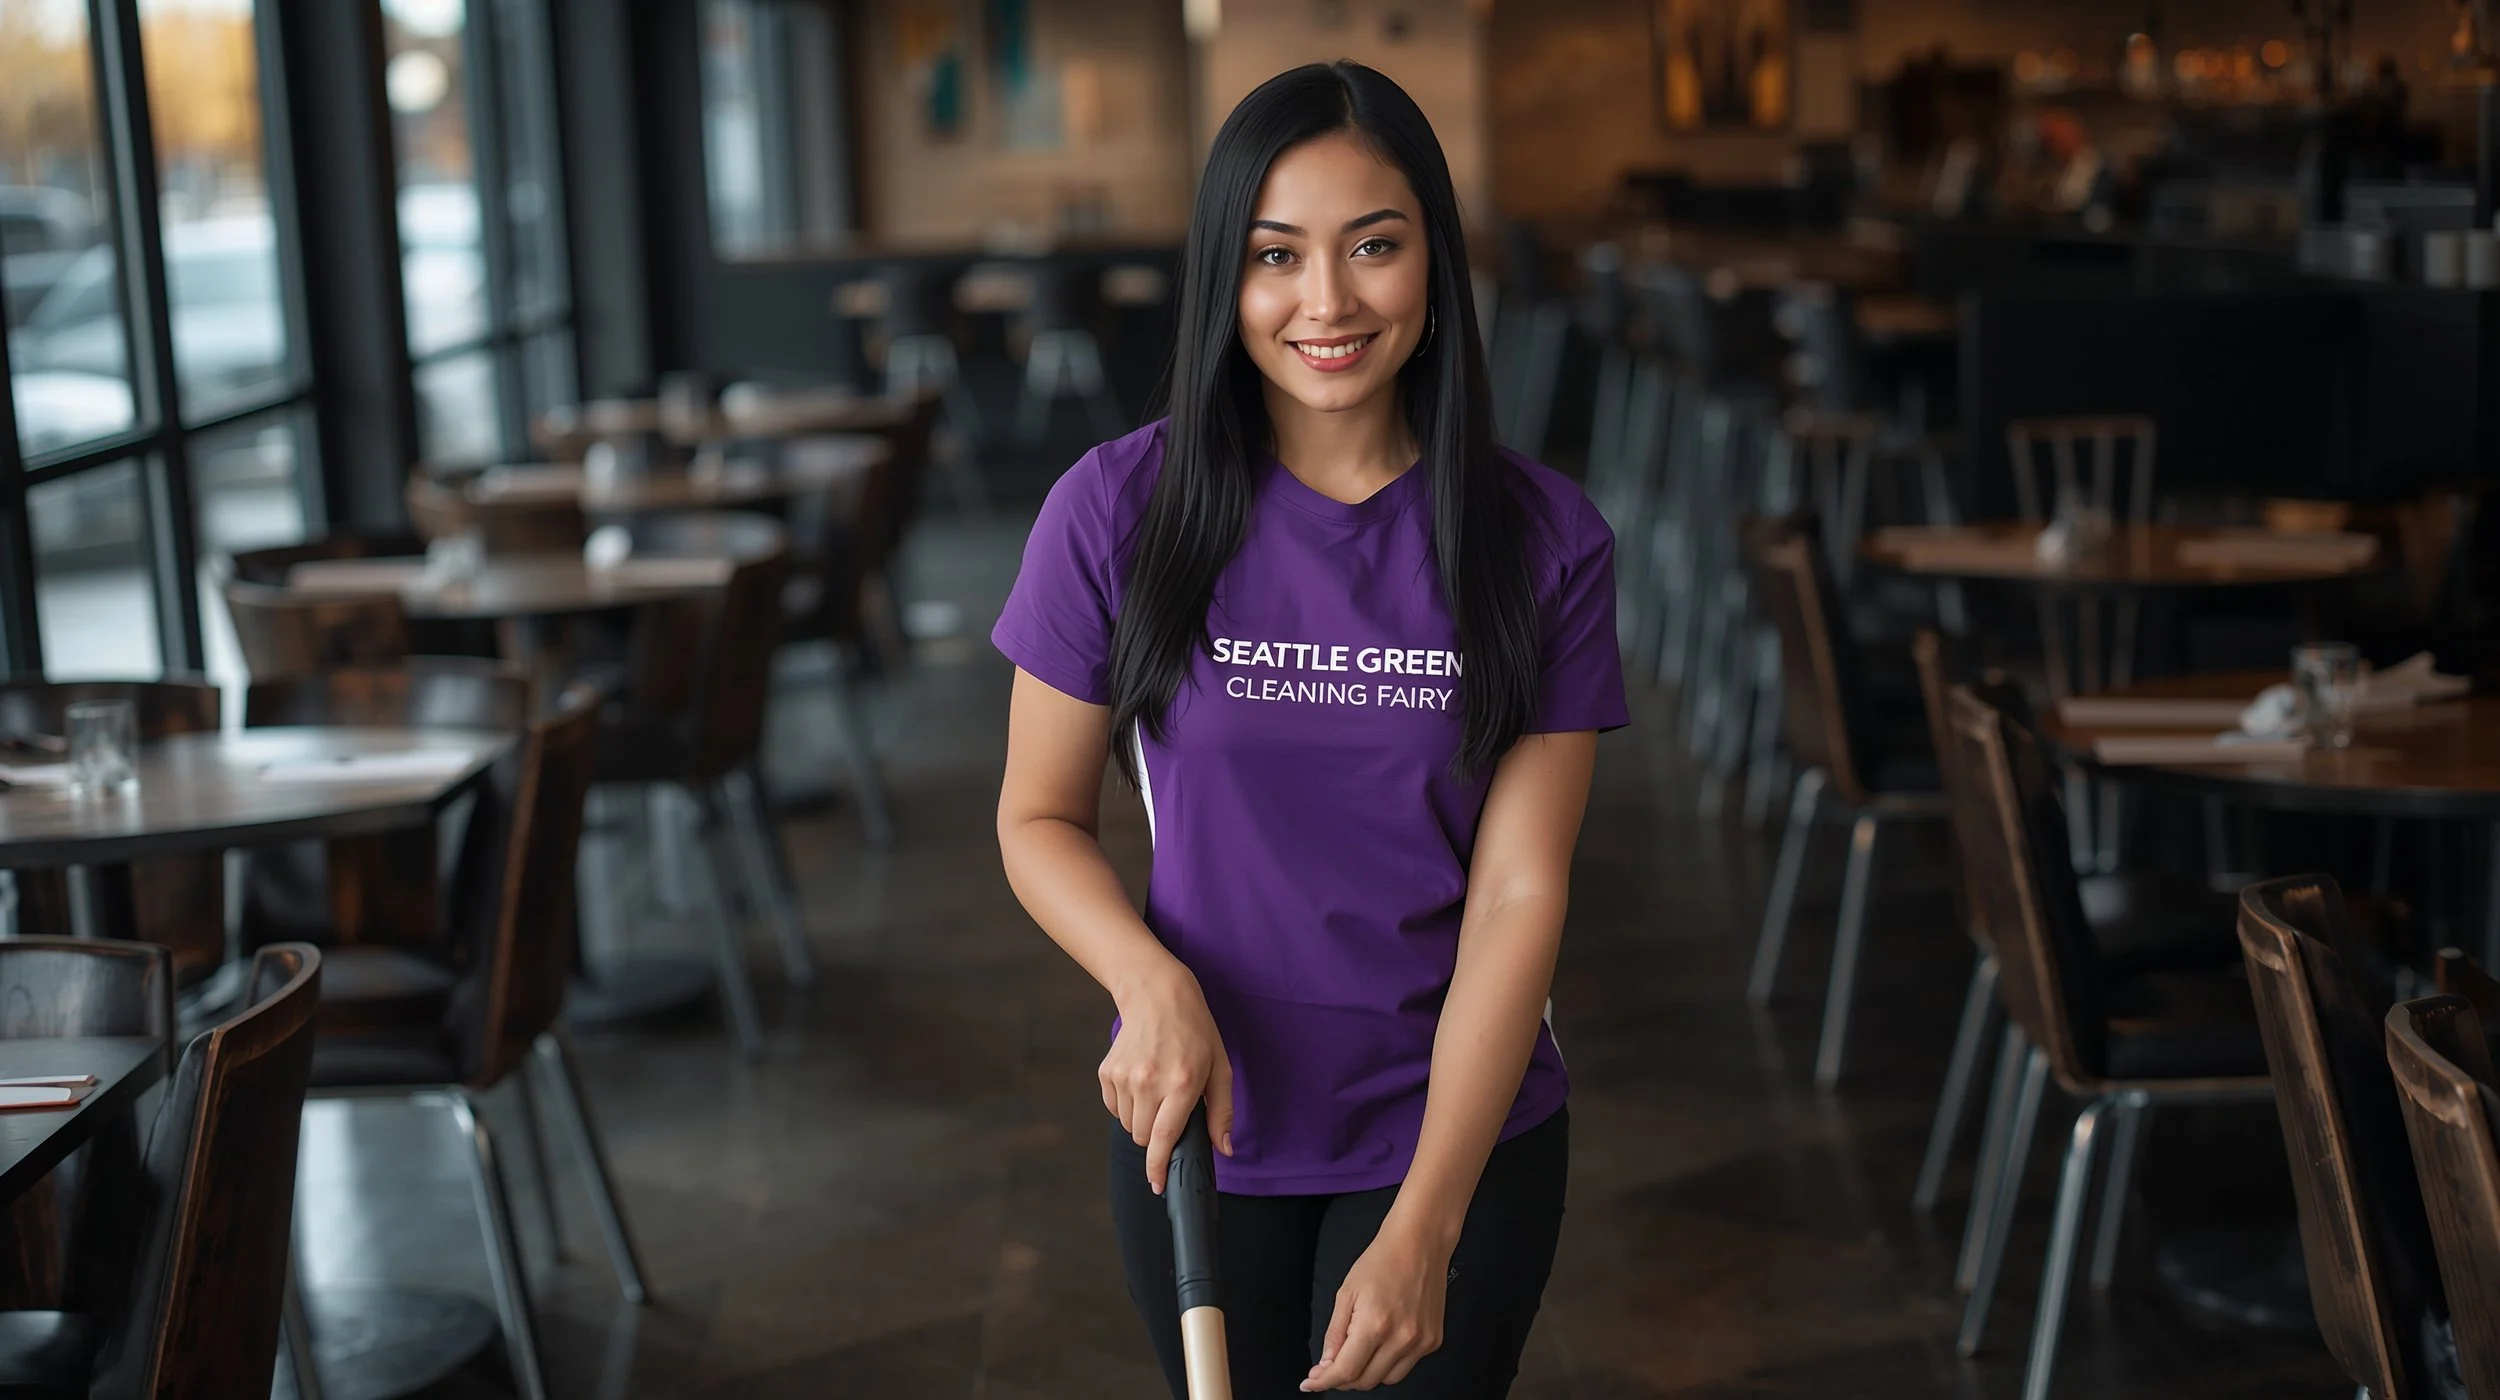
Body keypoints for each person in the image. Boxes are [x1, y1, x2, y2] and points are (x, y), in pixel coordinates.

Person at [993, 60, 1626, 1397]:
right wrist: (1146, 981)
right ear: (1227, 278)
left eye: (1374, 248)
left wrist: (1426, 1227)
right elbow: (1037, 817)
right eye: (1277, 255)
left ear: (1436, 269)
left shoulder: (1545, 543)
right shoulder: (1117, 511)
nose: (1326, 302)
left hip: (1457, 1129)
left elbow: (1520, 894)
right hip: (1202, 1125)